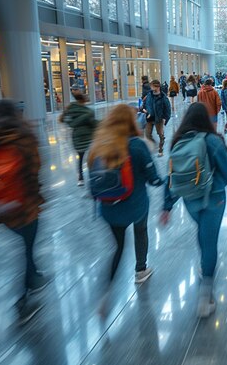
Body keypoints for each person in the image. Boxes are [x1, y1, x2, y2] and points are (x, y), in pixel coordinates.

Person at [162, 103, 227, 318]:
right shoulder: (212, 141)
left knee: (202, 233)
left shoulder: (177, 141)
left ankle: (203, 264)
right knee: (210, 242)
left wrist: (167, 206)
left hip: (190, 199)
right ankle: (206, 296)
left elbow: (171, 176)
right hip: (213, 199)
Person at [0, 100, 47, 323]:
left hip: (0, 206)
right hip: (24, 205)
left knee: (25, 245)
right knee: (26, 249)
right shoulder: (24, 137)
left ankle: (34, 277)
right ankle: (22, 301)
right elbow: (35, 169)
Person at [88, 105, 164, 312]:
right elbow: (154, 179)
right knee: (141, 231)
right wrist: (164, 180)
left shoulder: (98, 146)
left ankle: (106, 292)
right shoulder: (136, 146)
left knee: (118, 247)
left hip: (109, 208)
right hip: (135, 204)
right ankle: (141, 269)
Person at [59, 89, 98, 186]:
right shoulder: (88, 111)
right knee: (91, 158)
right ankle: (92, 176)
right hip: (88, 137)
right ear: (84, 100)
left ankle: (80, 178)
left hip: (76, 138)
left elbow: (66, 121)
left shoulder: (70, 109)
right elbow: (93, 124)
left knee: (80, 158)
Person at [142, 80, 171, 157]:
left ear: (157, 87)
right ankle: (155, 145)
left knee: (160, 134)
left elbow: (167, 109)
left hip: (159, 119)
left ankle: (160, 149)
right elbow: (144, 104)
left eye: (152, 86)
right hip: (149, 118)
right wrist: (144, 109)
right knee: (147, 134)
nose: (150, 87)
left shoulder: (163, 97)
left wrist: (165, 118)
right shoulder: (149, 95)